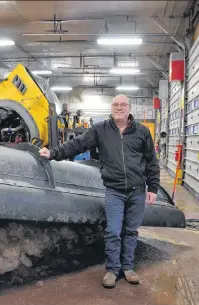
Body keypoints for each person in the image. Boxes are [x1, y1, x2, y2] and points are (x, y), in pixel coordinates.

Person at [39, 94, 160, 288]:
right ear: (111, 108)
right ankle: (112, 270)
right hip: (114, 190)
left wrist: (153, 187)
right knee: (113, 231)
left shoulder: (142, 132)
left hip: (137, 190)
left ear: (130, 108)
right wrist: (53, 153)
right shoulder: (100, 130)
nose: (119, 107)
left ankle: (128, 268)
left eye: (123, 105)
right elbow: (77, 144)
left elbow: (152, 161)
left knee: (130, 230)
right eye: (115, 105)